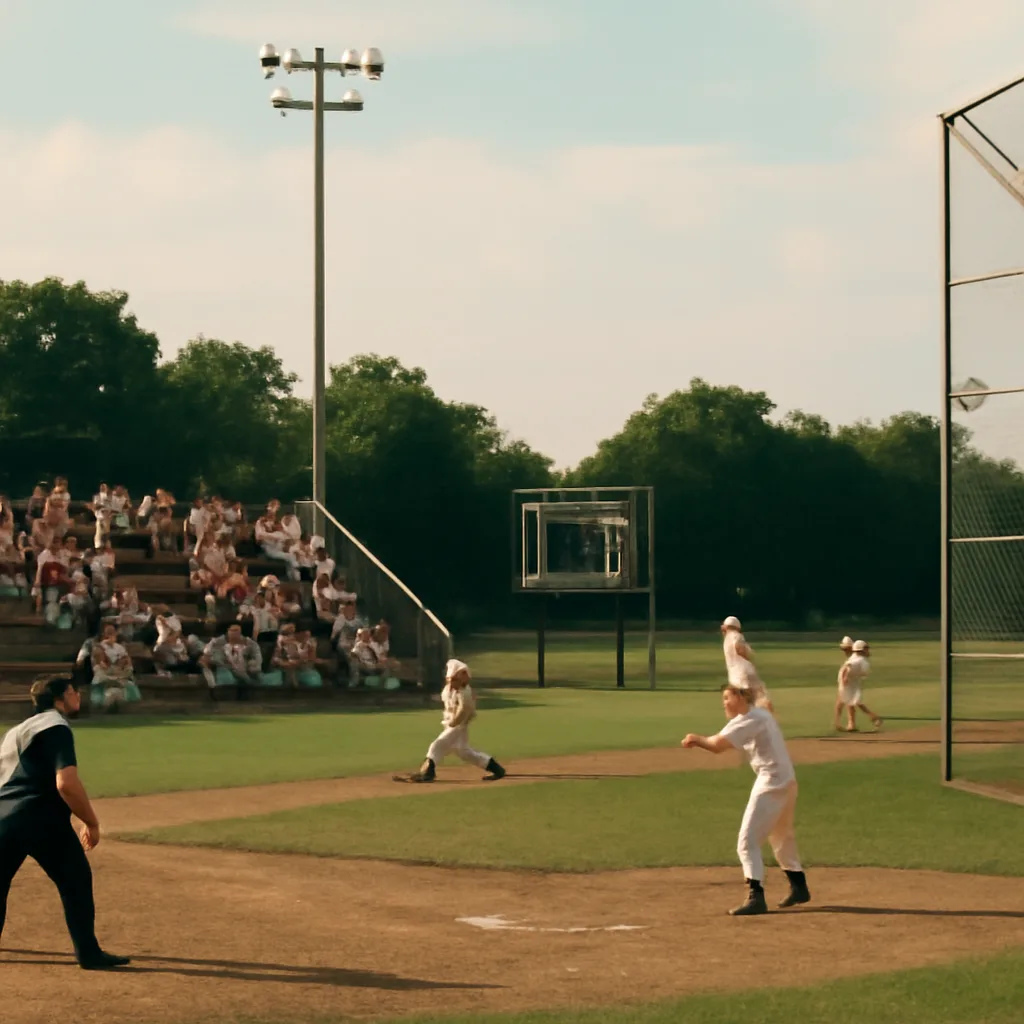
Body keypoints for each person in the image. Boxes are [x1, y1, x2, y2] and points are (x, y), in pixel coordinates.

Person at [0, 675, 130, 969]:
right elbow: (66, 784)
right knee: (76, 882)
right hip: (42, 819)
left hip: (3, 819)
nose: (78, 697)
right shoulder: (55, 726)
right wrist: (91, 822)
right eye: (74, 692)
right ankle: (88, 953)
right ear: (60, 699)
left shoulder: (16, 731)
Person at [682, 681, 809, 916]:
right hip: (786, 780)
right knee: (781, 836)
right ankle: (798, 886)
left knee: (746, 841)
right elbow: (724, 737)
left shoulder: (750, 719)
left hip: (771, 782)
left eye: (727, 698)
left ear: (741, 698)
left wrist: (694, 738)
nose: (724, 703)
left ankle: (756, 896)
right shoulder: (759, 714)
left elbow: (717, 745)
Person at [398, 659, 505, 784]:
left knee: (437, 745)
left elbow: (465, 709)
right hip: (450, 722)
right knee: (464, 752)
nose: (452, 683)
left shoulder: (465, 691)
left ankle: (427, 773)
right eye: (451, 680)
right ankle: (497, 769)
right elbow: (446, 700)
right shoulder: (449, 689)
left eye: (455, 680)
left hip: (458, 724)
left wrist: (455, 722)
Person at [720, 616, 773, 711]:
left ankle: (765, 720)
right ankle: (770, 721)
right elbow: (739, 648)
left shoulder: (728, 639)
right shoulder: (736, 635)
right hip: (744, 674)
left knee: (747, 704)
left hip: (736, 678)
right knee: (759, 700)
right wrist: (749, 659)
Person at [835, 640, 882, 732]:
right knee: (852, 701)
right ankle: (874, 718)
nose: (868, 650)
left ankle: (850, 724)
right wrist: (845, 678)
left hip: (851, 681)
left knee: (851, 701)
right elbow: (847, 667)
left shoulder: (857, 657)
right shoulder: (859, 660)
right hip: (849, 681)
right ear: (862, 650)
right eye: (866, 648)